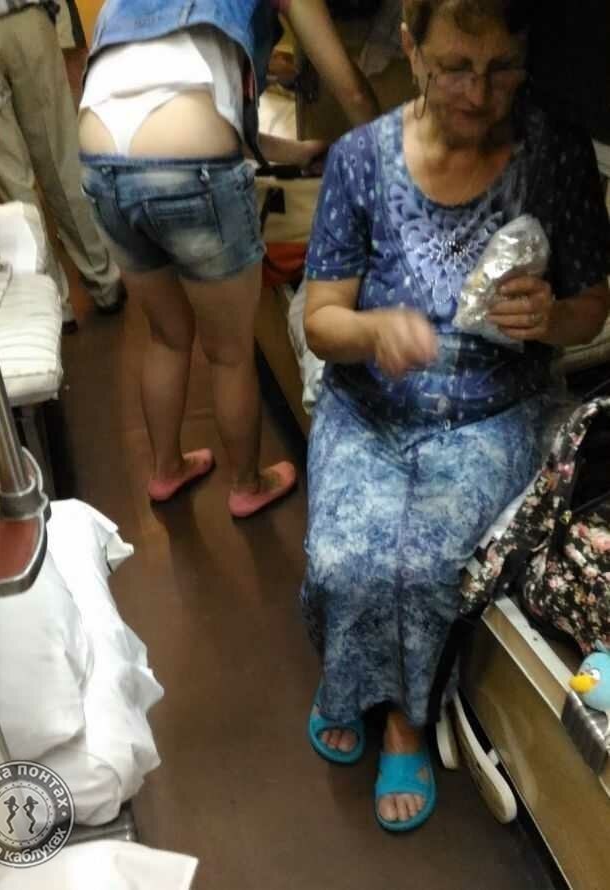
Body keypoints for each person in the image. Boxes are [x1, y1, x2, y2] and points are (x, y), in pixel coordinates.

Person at [302, 0, 610, 832]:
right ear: (411, 48)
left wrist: (549, 316)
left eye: (501, 67)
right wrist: (373, 330)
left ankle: (405, 720)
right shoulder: (361, 159)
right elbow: (320, 320)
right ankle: (349, 680)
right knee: (344, 559)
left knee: (432, 562)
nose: (478, 93)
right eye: (454, 68)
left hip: (492, 408)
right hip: (371, 406)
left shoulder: (554, 154)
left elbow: (591, 308)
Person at [78, 0, 380, 517]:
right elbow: (348, 88)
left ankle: (166, 469)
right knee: (229, 351)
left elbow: (187, 108)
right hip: (192, 160)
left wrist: (300, 151)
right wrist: (396, 156)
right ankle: (247, 483)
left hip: (100, 156)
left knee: (167, 335)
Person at [0, 1, 125, 329]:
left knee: (10, 178)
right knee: (61, 159)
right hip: (26, 19)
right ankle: (104, 281)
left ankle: (52, 302)